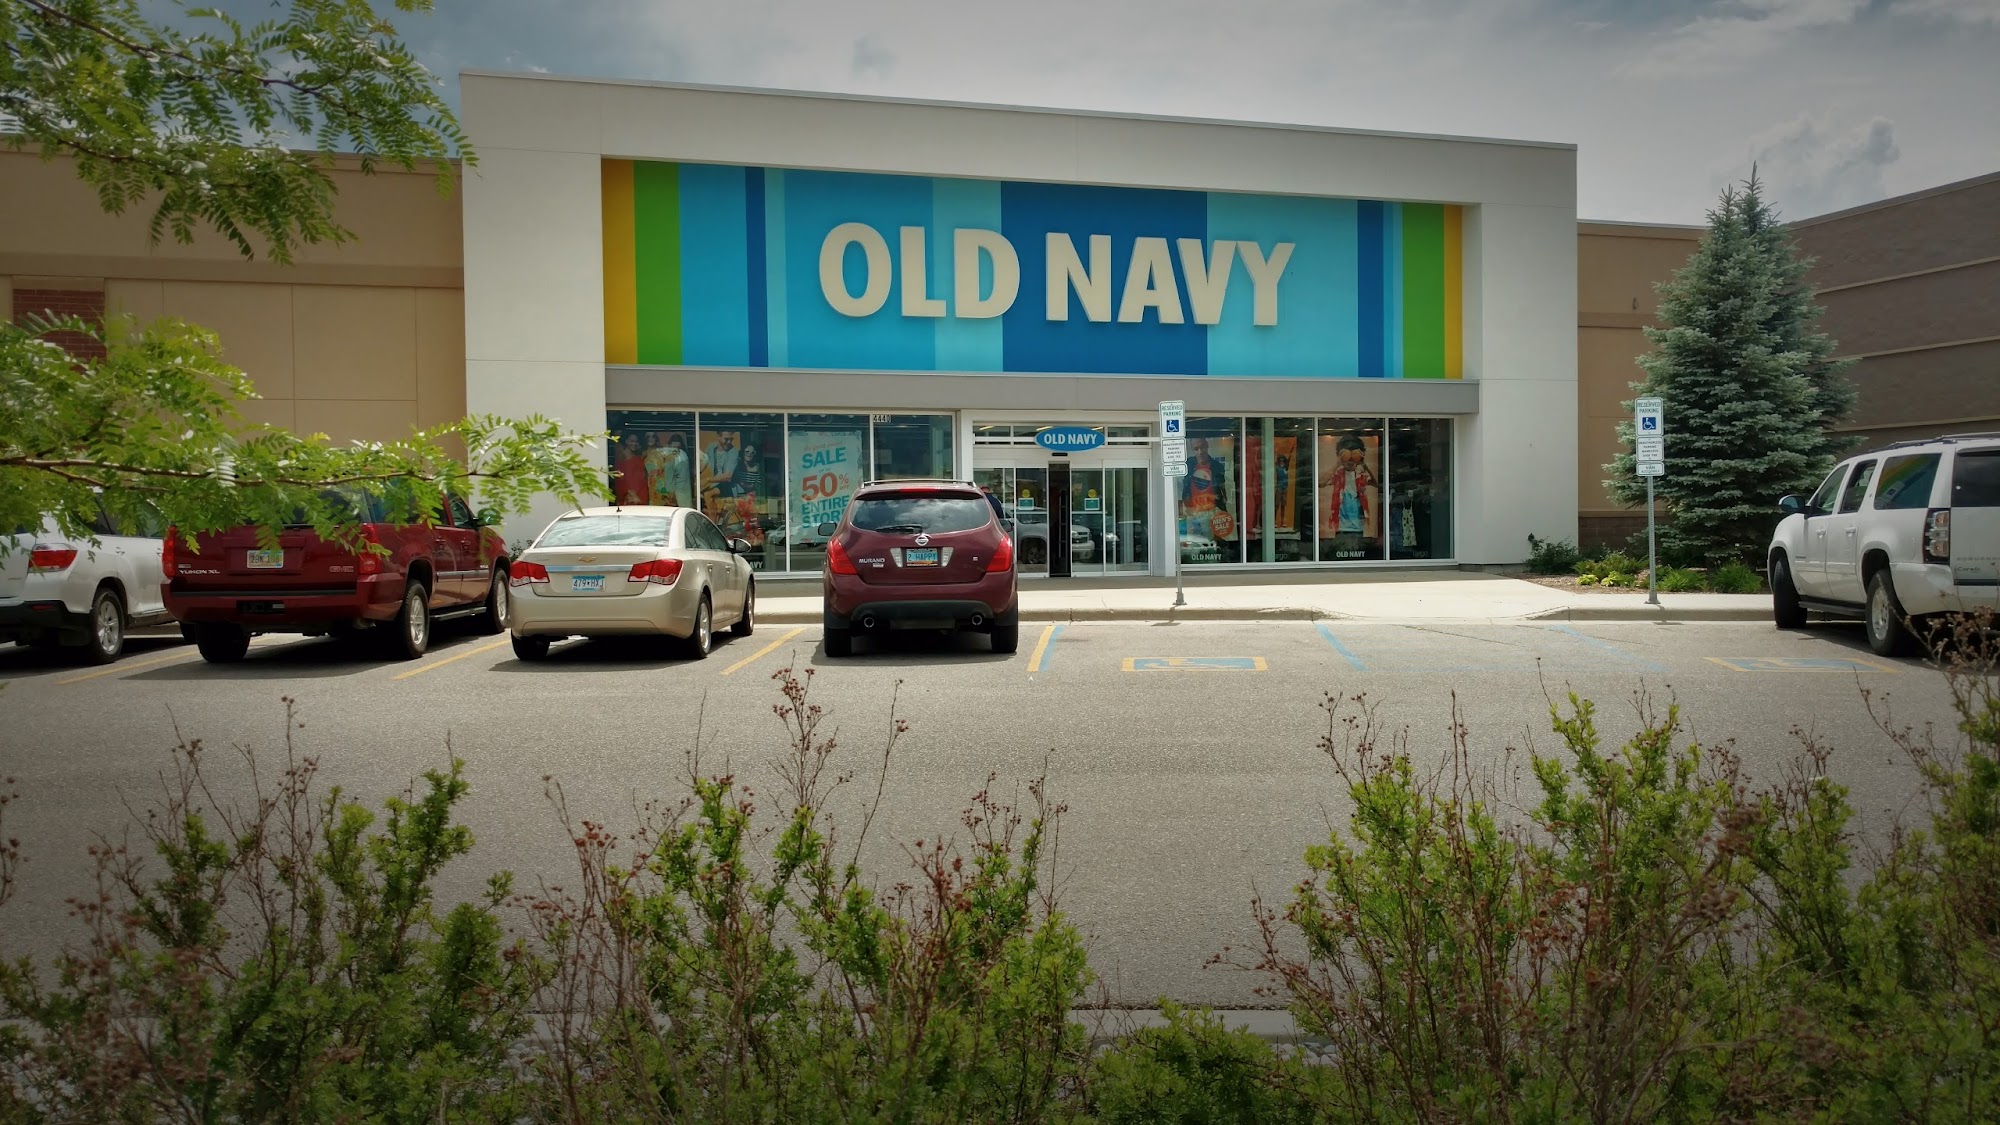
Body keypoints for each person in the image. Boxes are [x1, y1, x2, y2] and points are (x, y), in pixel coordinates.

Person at [612, 434, 648, 505]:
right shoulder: (621, 459)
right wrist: (631, 493)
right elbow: (621, 480)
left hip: (640, 493)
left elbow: (642, 477)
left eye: (636, 441)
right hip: (629, 496)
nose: (634, 443)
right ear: (626, 441)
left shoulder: (638, 458)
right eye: (632, 441)